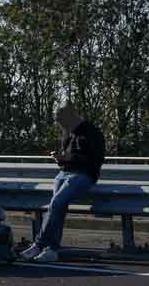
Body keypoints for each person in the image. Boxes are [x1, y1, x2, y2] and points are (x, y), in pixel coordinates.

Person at [22, 105, 106, 264]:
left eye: (63, 123)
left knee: (56, 203)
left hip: (84, 174)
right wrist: (60, 160)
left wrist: (71, 158)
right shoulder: (68, 133)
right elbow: (66, 158)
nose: (63, 127)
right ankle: (51, 250)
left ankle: (39, 245)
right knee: (56, 207)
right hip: (64, 173)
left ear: (72, 117)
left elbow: (96, 159)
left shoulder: (92, 132)